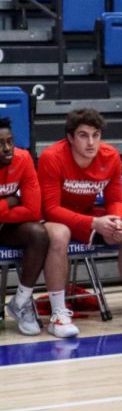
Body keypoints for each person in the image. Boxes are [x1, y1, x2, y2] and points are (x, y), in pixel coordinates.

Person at [39, 109, 122, 336]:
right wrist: (94, 223)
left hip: (89, 215)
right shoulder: (52, 157)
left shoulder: (111, 156)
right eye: (83, 135)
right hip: (53, 218)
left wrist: (116, 221)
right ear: (70, 138)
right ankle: (58, 314)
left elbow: (116, 201)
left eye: (96, 134)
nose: (91, 142)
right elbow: (51, 209)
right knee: (59, 234)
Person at [0, 117, 48, 337]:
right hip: (8, 218)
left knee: (38, 233)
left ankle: (20, 301)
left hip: (7, 227)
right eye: (1, 144)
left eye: (10, 141)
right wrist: (8, 202)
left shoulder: (23, 158)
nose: (7, 148)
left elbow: (32, 210)